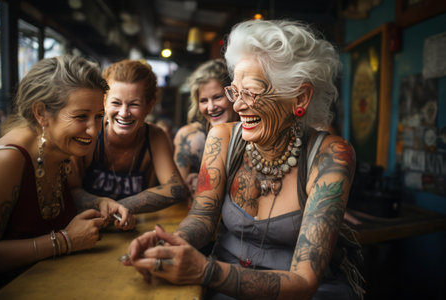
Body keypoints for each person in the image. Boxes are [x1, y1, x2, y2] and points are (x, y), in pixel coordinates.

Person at [124, 19, 365, 300]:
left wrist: (206, 272)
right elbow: (202, 217)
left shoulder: (331, 156)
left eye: (250, 92)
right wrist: (173, 242)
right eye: (235, 92)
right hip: (225, 281)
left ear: (299, 97)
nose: (237, 106)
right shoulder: (221, 138)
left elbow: (304, 281)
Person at [0, 55, 134, 281]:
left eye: (99, 116)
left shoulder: (59, 148)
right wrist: (64, 241)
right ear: (40, 113)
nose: (94, 131)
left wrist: (99, 202)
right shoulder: (6, 160)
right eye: (81, 117)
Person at [69, 59, 188, 214]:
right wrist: (101, 204)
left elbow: (176, 188)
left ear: (149, 106)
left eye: (134, 104)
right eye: (116, 103)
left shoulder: (154, 136)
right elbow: (70, 189)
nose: (124, 113)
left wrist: (121, 207)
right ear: (104, 102)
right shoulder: (89, 133)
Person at [173, 59, 238, 196]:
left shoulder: (252, 132)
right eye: (203, 100)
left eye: (217, 97)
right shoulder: (189, 137)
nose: (211, 107)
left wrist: (205, 183)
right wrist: (190, 185)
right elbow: (175, 192)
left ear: (233, 94)